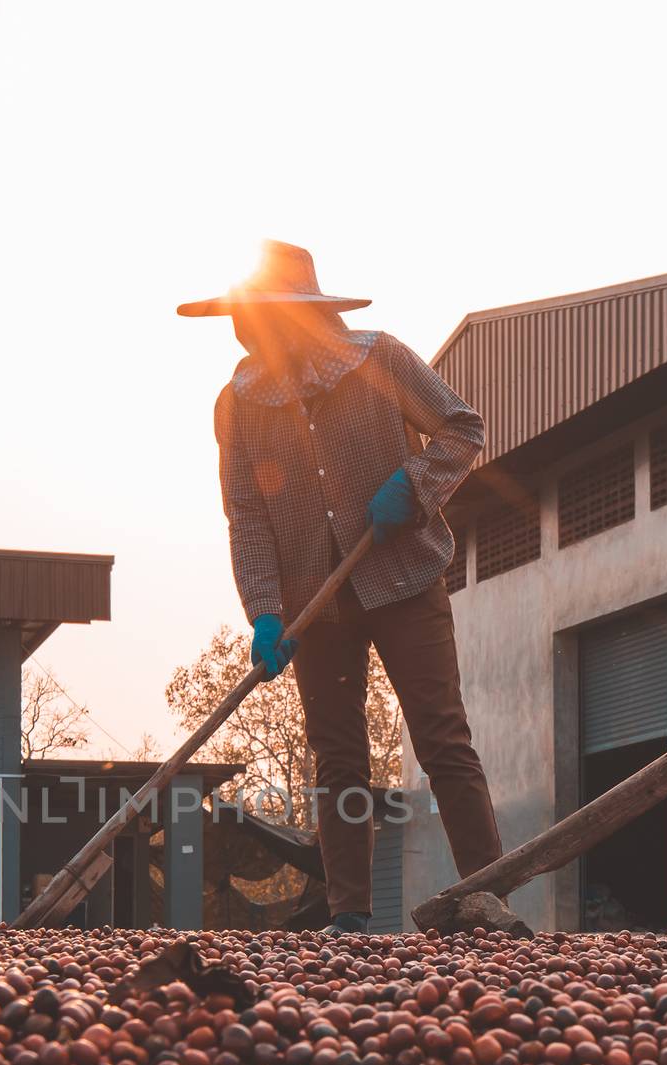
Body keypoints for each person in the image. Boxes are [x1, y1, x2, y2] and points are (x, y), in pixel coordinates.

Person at [178, 240, 504, 935]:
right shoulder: (238, 404)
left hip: (404, 577)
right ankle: (350, 915)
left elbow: (461, 427)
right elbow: (248, 519)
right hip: (314, 604)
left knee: (442, 738)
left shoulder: (379, 359)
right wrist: (264, 614)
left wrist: (414, 487)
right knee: (336, 756)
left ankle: (489, 896)